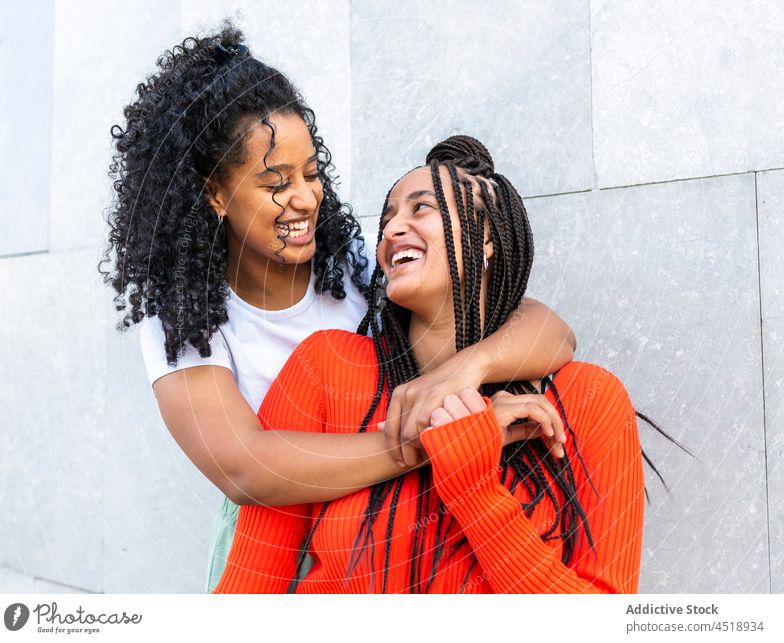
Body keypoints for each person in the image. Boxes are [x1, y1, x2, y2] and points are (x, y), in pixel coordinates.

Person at [100, 22, 575, 593]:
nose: (304, 197)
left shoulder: (348, 263)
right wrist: (432, 440)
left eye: (311, 172)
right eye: (276, 182)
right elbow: (249, 468)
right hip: (276, 534)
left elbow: (551, 332)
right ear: (215, 194)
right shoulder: (182, 319)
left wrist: (460, 374)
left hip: (384, 524)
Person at [214, 136, 645, 594]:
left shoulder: (589, 397)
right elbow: (247, 592)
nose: (393, 228)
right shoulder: (324, 369)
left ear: (486, 239)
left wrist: (474, 486)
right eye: (387, 218)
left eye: (421, 209)